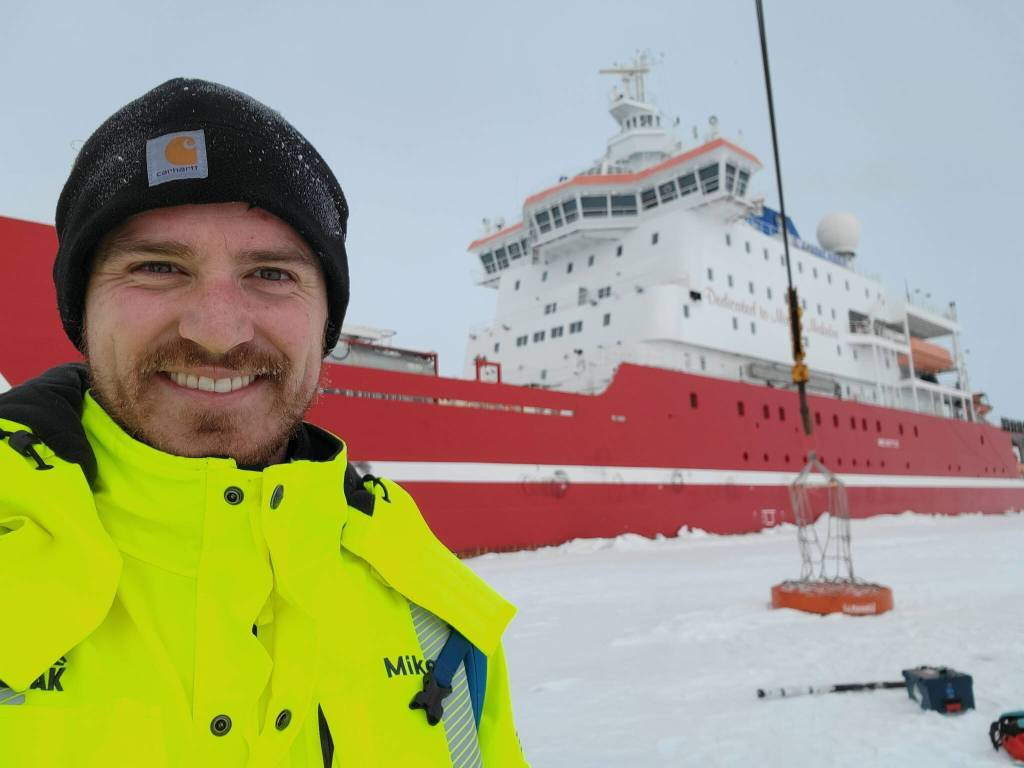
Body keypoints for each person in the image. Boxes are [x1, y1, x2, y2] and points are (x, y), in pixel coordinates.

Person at [0, 79, 528, 767]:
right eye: (158, 266)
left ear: (325, 320)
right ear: (81, 308)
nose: (218, 332)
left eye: (272, 274)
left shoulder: (434, 606)